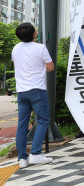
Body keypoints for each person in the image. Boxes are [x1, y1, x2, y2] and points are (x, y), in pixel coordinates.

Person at [12, 22, 54, 168]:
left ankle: (22, 159)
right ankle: (36, 154)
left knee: (22, 124)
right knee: (43, 120)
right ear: (34, 34)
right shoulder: (40, 48)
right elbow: (50, 67)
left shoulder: (16, 48)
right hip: (37, 89)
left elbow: (16, 64)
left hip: (21, 91)